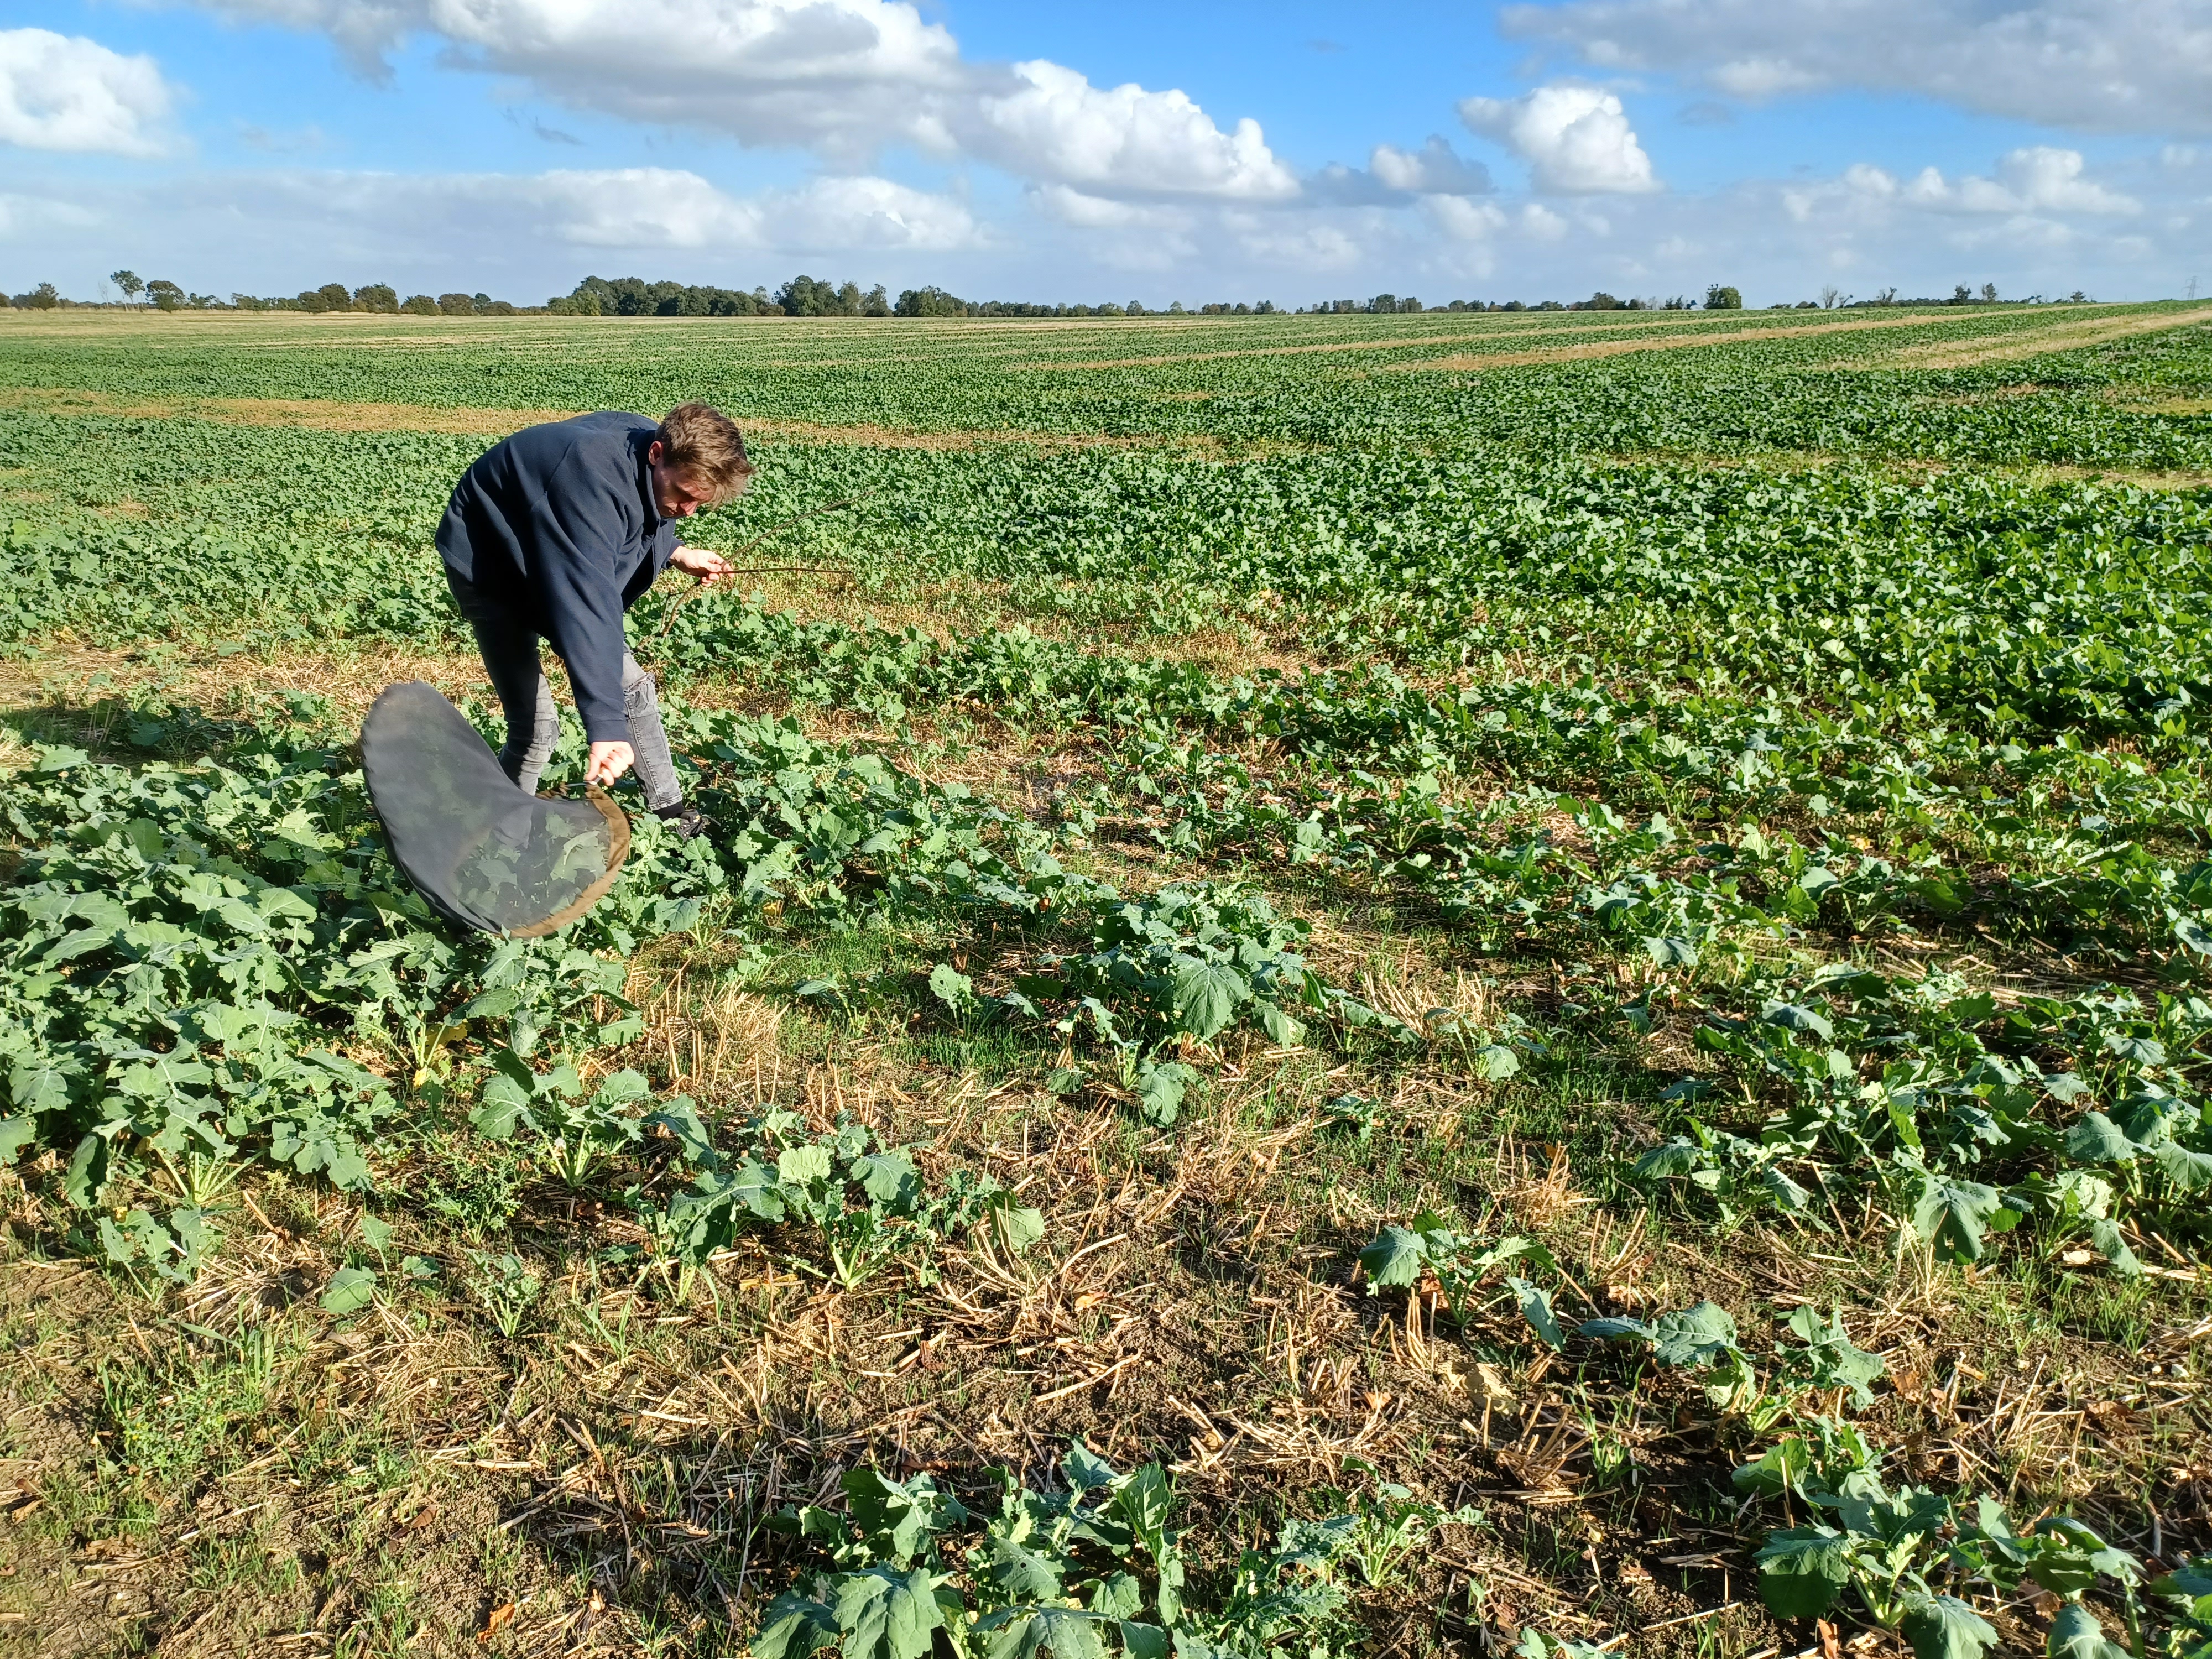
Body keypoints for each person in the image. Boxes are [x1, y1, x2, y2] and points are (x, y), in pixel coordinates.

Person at [435, 403, 750, 837]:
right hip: (493, 567)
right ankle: (498, 840)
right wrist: (604, 728)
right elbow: (588, 605)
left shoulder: (652, 455)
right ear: (657, 454)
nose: (688, 510)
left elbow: (641, 519)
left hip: (555, 544)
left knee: (633, 687)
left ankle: (671, 815)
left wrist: (678, 553)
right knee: (536, 728)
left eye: (701, 502)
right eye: (684, 495)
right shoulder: (589, 477)